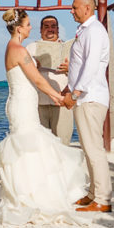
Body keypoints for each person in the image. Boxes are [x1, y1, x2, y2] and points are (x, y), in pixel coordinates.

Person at [0, 8, 89, 225]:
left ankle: (29, 191)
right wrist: (58, 97)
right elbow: (39, 80)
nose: (31, 27)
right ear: (18, 28)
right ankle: (31, 195)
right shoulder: (20, 50)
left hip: (23, 102)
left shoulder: (14, 47)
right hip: (22, 105)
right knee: (29, 147)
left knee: (29, 150)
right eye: (27, 25)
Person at [62, 0, 113, 213]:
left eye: (74, 7)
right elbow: (80, 65)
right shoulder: (86, 30)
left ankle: (102, 199)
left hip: (90, 97)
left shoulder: (93, 31)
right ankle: (94, 194)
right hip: (85, 96)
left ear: (87, 8)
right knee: (88, 147)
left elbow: (91, 66)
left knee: (94, 150)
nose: (71, 11)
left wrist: (74, 94)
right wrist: (70, 85)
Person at [25, 15, 75, 144]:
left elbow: (82, 74)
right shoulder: (31, 47)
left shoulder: (70, 49)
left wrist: (70, 68)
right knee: (41, 143)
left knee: (63, 142)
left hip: (62, 101)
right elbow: (22, 71)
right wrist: (33, 65)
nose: (50, 29)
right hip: (39, 102)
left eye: (53, 26)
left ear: (58, 30)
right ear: (41, 30)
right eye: (46, 27)